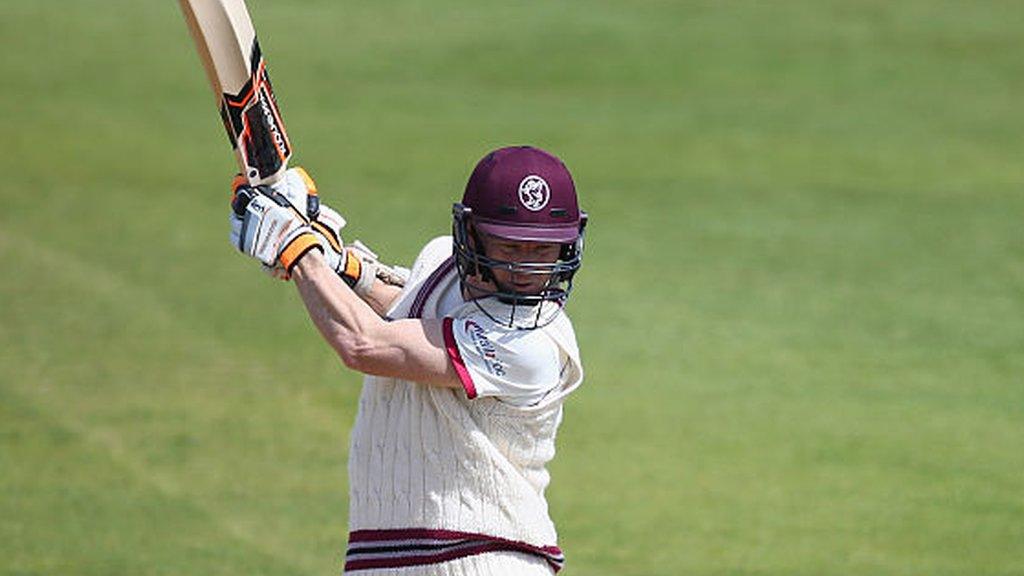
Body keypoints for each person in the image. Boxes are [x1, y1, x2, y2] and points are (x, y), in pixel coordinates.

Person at [229, 145, 588, 575]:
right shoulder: (442, 264)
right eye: (509, 248)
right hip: (392, 560)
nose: (525, 269)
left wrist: (293, 246)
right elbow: (409, 310)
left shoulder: (533, 345)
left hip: (484, 560)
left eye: (541, 250)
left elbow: (365, 343)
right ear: (470, 235)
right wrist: (331, 257)